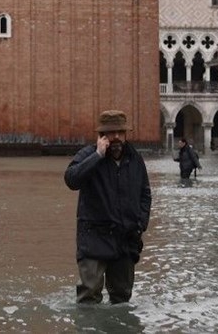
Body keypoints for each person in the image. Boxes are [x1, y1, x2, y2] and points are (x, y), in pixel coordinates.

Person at [64, 109, 152, 304]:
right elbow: (71, 180)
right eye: (112, 133)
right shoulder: (88, 155)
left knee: (122, 296)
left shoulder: (135, 159)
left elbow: (145, 193)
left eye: (121, 132)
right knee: (89, 294)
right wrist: (97, 156)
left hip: (126, 238)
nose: (117, 137)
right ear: (101, 135)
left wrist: (140, 224)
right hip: (94, 238)